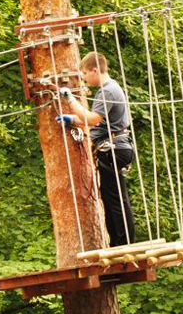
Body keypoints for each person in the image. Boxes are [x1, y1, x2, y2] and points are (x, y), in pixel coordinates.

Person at [57, 51, 136, 247]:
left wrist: (71, 100)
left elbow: (92, 119)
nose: (83, 78)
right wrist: (73, 119)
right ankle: (120, 242)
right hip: (117, 147)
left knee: (114, 200)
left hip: (113, 149)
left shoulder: (107, 90)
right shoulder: (110, 89)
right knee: (114, 199)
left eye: (84, 73)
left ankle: (122, 244)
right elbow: (99, 122)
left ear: (94, 70)